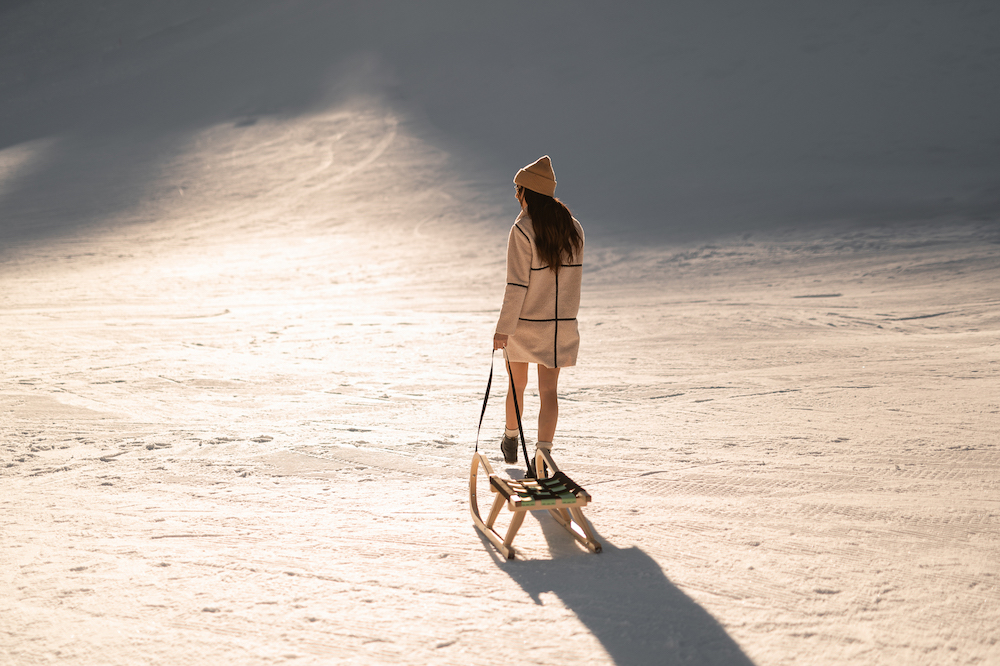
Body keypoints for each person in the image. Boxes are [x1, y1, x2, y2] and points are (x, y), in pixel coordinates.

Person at [493, 155, 585, 467]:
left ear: (527, 192)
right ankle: (543, 455)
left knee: (516, 387)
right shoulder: (573, 229)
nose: (516, 195)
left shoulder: (521, 230)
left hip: (524, 325)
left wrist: (502, 329)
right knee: (549, 392)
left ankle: (510, 437)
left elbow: (517, 284)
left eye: (518, 189)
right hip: (559, 327)